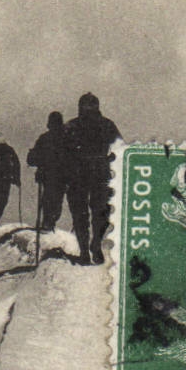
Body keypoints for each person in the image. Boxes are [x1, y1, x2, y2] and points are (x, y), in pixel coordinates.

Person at [63, 92, 122, 265]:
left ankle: (89, 248)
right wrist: (110, 159)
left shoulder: (72, 126)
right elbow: (120, 147)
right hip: (93, 173)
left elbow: (61, 152)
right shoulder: (106, 124)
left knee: (86, 214)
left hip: (82, 174)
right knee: (99, 213)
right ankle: (91, 247)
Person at [25, 111, 68, 231]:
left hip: (48, 174)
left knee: (49, 198)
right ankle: (49, 223)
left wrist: (38, 161)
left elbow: (32, 158)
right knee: (56, 199)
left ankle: (47, 223)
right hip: (60, 175)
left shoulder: (44, 138)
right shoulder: (66, 137)